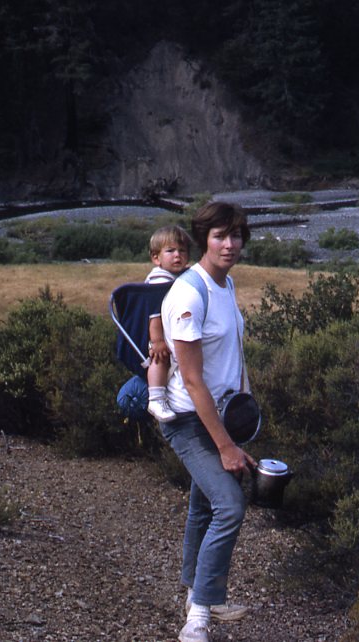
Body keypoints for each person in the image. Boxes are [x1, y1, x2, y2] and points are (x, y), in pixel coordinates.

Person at [160, 202, 257, 642]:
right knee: (229, 506)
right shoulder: (189, 293)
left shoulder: (226, 283)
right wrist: (225, 446)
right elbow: (193, 380)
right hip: (189, 420)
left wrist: (245, 415)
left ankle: (197, 593)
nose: (230, 245)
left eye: (236, 236)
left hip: (221, 417)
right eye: (220, 236)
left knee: (204, 506)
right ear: (204, 239)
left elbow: (231, 356)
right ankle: (198, 617)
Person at [145, 225, 193, 424]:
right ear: (156, 258)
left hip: (172, 333)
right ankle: (156, 398)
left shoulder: (178, 276)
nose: (177, 255)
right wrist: (157, 341)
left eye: (182, 251)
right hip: (158, 336)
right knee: (160, 359)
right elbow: (154, 315)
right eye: (170, 251)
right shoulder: (159, 280)